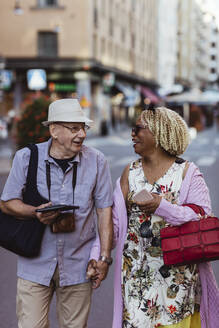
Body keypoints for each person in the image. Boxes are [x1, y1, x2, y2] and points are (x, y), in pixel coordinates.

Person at [90, 106, 219, 328]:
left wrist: (161, 206)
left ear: (158, 133)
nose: (132, 134)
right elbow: (114, 223)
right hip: (136, 277)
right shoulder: (130, 172)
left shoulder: (188, 172)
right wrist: (98, 257)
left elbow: (202, 218)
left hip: (178, 280)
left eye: (138, 128)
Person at [0, 98, 113, 328]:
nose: (81, 134)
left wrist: (103, 257)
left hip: (79, 266)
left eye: (83, 128)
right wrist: (35, 212)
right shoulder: (26, 157)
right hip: (35, 265)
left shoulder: (97, 161)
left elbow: (104, 211)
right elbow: (7, 203)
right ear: (53, 130)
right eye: (74, 128)